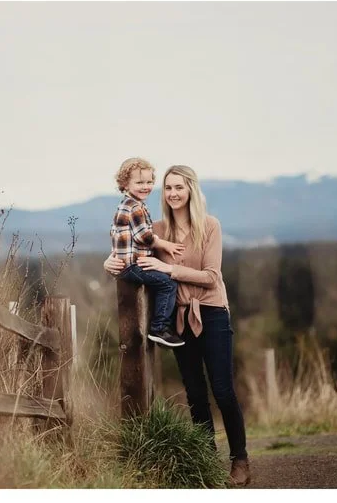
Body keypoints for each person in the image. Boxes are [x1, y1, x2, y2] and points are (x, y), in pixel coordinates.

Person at [104, 165, 251, 487]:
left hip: (211, 312)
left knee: (223, 390)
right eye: (168, 188)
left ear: (191, 191)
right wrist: (109, 262)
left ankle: (239, 460)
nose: (172, 193)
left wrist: (165, 269)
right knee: (196, 395)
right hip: (176, 319)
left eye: (179, 188)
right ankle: (207, 461)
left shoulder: (210, 226)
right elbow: (129, 251)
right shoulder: (155, 228)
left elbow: (212, 277)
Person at [109, 157, 185, 348]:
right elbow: (144, 235)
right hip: (132, 265)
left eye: (149, 182)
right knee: (167, 284)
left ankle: (158, 325)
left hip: (129, 263)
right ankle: (159, 328)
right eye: (140, 182)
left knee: (159, 282)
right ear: (125, 184)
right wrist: (164, 244)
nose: (146, 186)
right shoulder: (134, 207)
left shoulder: (127, 204)